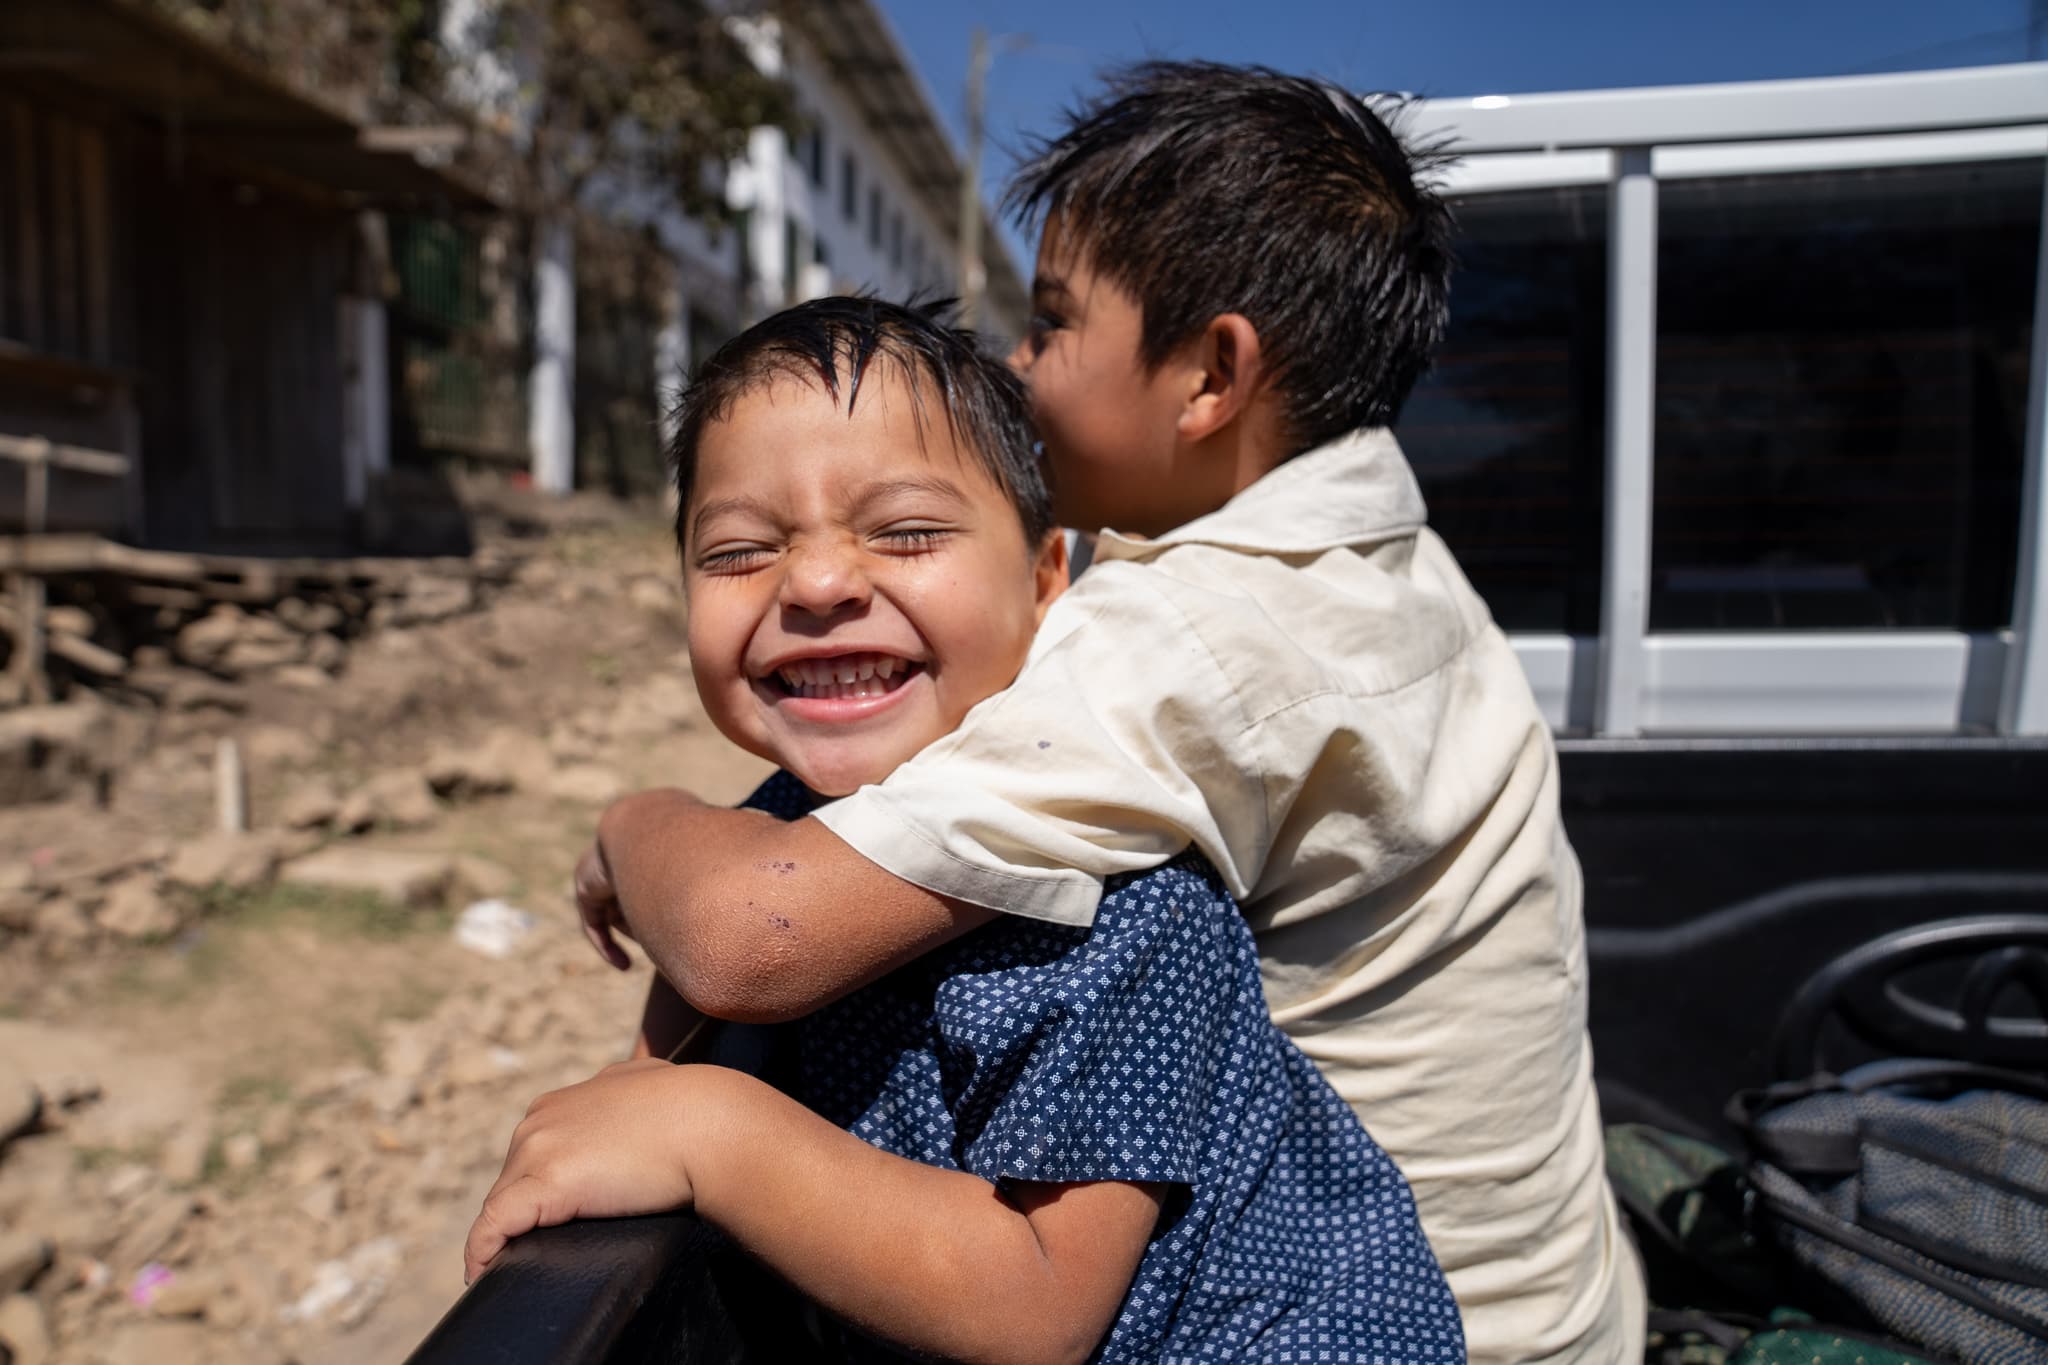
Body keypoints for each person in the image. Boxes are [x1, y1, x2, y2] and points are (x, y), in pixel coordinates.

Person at [578, 63, 1645, 1363]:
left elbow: (756, 935)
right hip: (1556, 1290)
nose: (1019, 374)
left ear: (1211, 373)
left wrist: (633, 825)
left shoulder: (1181, 642)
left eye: (1049, 326)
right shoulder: (1387, 562)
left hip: (1371, 1321)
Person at [466, 297, 1465, 1364]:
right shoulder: (783, 831)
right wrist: (639, 1110)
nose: (814, 583)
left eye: (904, 532)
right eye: (737, 551)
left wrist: (708, 1137)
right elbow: (690, 1021)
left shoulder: (1123, 904)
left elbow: (1035, 1302)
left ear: (1045, 586)